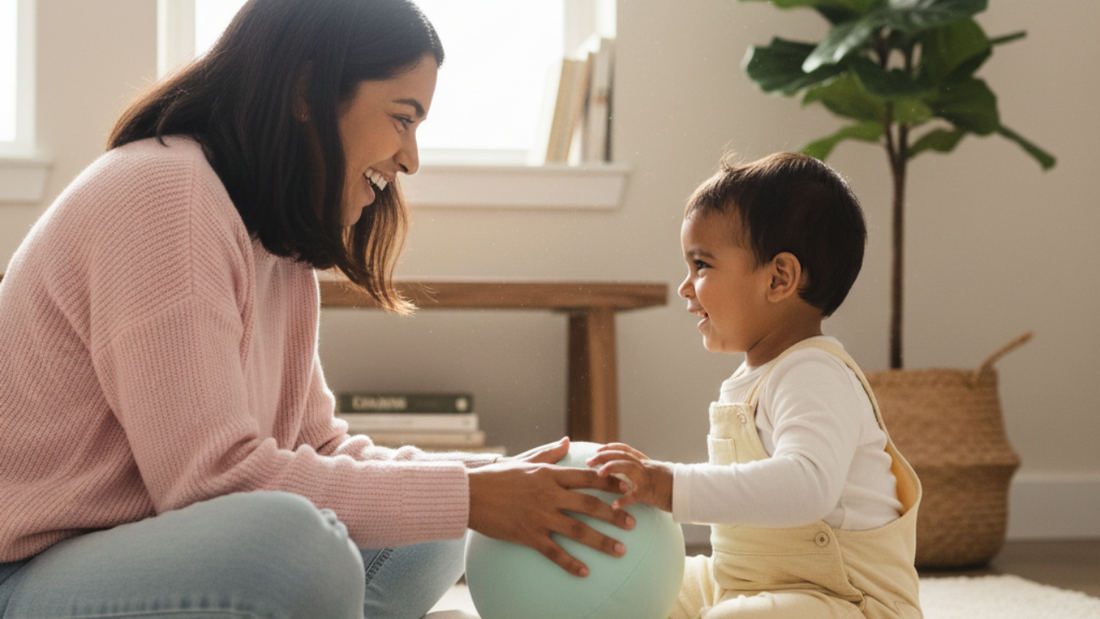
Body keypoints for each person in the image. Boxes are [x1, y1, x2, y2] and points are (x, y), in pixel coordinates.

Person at [0, 1, 633, 618]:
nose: (411, 158)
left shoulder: (276, 239)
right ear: (307, 91)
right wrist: (468, 493)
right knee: (301, 553)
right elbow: (212, 484)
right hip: (28, 571)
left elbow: (319, 446)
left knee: (433, 532)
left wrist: (496, 479)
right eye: (402, 118)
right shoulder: (163, 192)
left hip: (142, 549)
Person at [586, 153, 924, 619]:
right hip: (746, 579)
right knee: (641, 587)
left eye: (701, 265)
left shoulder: (813, 373)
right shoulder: (754, 378)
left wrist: (670, 485)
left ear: (779, 278)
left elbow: (807, 487)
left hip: (846, 601)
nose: (686, 287)